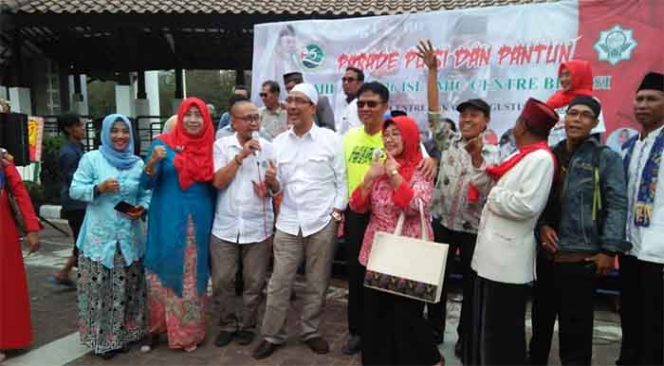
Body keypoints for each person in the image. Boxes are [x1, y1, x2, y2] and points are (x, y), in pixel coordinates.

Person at [529, 96, 630, 365]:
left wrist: (610, 249)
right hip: (546, 255)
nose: (577, 119)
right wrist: (541, 227)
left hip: (580, 258)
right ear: (565, 119)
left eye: (585, 115)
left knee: (576, 335)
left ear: (594, 123)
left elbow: (618, 204)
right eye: (573, 114)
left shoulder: (605, 157)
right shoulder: (549, 154)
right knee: (539, 326)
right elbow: (536, 199)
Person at [341, 81, 437, 356]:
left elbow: (416, 206)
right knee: (377, 315)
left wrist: (395, 175)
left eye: (397, 134)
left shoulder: (421, 169)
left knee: (406, 317)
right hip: (377, 250)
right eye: (387, 135)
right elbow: (357, 207)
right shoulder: (379, 167)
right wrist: (370, 179)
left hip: (408, 254)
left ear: (409, 137)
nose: (390, 139)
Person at [417, 40, 501, 355]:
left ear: (486, 121)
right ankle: (434, 331)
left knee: (470, 287)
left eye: (474, 116)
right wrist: (433, 70)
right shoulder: (448, 140)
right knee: (434, 282)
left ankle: (467, 338)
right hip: (441, 224)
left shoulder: (495, 152)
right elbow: (434, 111)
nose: (466, 119)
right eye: (464, 115)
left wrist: (478, 155)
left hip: (473, 231)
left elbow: (487, 178)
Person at [253, 83, 346, 359]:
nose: (291, 106)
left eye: (299, 101)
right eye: (289, 100)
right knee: (280, 281)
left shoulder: (331, 140)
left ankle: (310, 331)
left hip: (322, 221)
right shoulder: (279, 143)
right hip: (288, 221)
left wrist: (335, 213)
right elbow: (278, 188)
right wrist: (272, 183)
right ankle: (272, 334)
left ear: (312, 108)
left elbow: (343, 182)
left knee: (318, 281)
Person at [465, 98, 558, 365]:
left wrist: (494, 194)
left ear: (523, 126)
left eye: (518, 120)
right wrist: (476, 159)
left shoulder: (540, 159)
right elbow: (488, 184)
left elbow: (527, 206)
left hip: (508, 261)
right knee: (488, 327)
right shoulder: (520, 155)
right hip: (492, 257)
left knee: (502, 333)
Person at [69, 114, 150, 359]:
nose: (120, 136)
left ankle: (127, 335)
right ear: (105, 133)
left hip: (129, 239)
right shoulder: (92, 159)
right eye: (114, 131)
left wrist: (142, 209)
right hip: (100, 240)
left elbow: (146, 192)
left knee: (128, 289)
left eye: (125, 131)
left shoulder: (137, 164)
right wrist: (99, 188)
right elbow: (74, 190)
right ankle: (102, 340)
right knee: (100, 292)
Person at [140, 97, 216, 353]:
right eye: (189, 114)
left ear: (206, 120)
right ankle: (157, 327)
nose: (193, 120)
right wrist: (152, 162)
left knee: (192, 275)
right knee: (162, 267)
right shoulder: (162, 145)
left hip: (200, 218)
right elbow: (145, 184)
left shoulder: (211, 147)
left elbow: (217, 185)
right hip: (167, 216)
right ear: (180, 117)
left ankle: (187, 333)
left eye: (199, 115)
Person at [210, 100, 275, 348]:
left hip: (258, 227)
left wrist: (269, 186)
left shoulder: (269, 147)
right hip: (225, 226)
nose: (253, 122)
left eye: (255, 117)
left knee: (254, 282)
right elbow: (218, 181)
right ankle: (227, 324)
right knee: (223, 281)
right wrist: (241, 156)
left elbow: (276, 189)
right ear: (234, 121)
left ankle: (248, 325)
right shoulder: (221, 146)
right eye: (247, 118)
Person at [617, 71, 664, 365]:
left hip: (659, 252)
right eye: (639, 99)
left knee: (657, 323)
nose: (643, 104)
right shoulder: (631, 146)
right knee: (631, 316)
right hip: (632, 248)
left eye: (652, 99)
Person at [0, 150, 41, 363]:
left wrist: (32, 229)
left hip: (2, 231)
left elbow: (19, 192)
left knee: (5, 286)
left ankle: (5, 338)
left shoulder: (2, 160)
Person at [49, 112, 87, 287]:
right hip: (75, 204)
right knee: (83, 240)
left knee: (83, 239)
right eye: (79, 125)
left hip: (80, 202)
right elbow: (74, 179)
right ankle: (67, 273)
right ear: (69, 129)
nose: (82, 128)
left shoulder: (77, 148)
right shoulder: (68, 152)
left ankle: (64, 273)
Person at [546, 60, 606, 146]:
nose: (563, 79)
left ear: (579, 76)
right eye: (561, 75)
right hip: (553, 153)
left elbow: (594, 137)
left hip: (579, 155)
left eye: (567, 75)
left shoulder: (591, 102)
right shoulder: (554, 100)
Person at [335, 67, 364, 135]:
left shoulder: (361, 105)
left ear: (360, 83)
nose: (346, 83)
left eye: (350, 80)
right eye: (344, 80)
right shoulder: (342, 103)